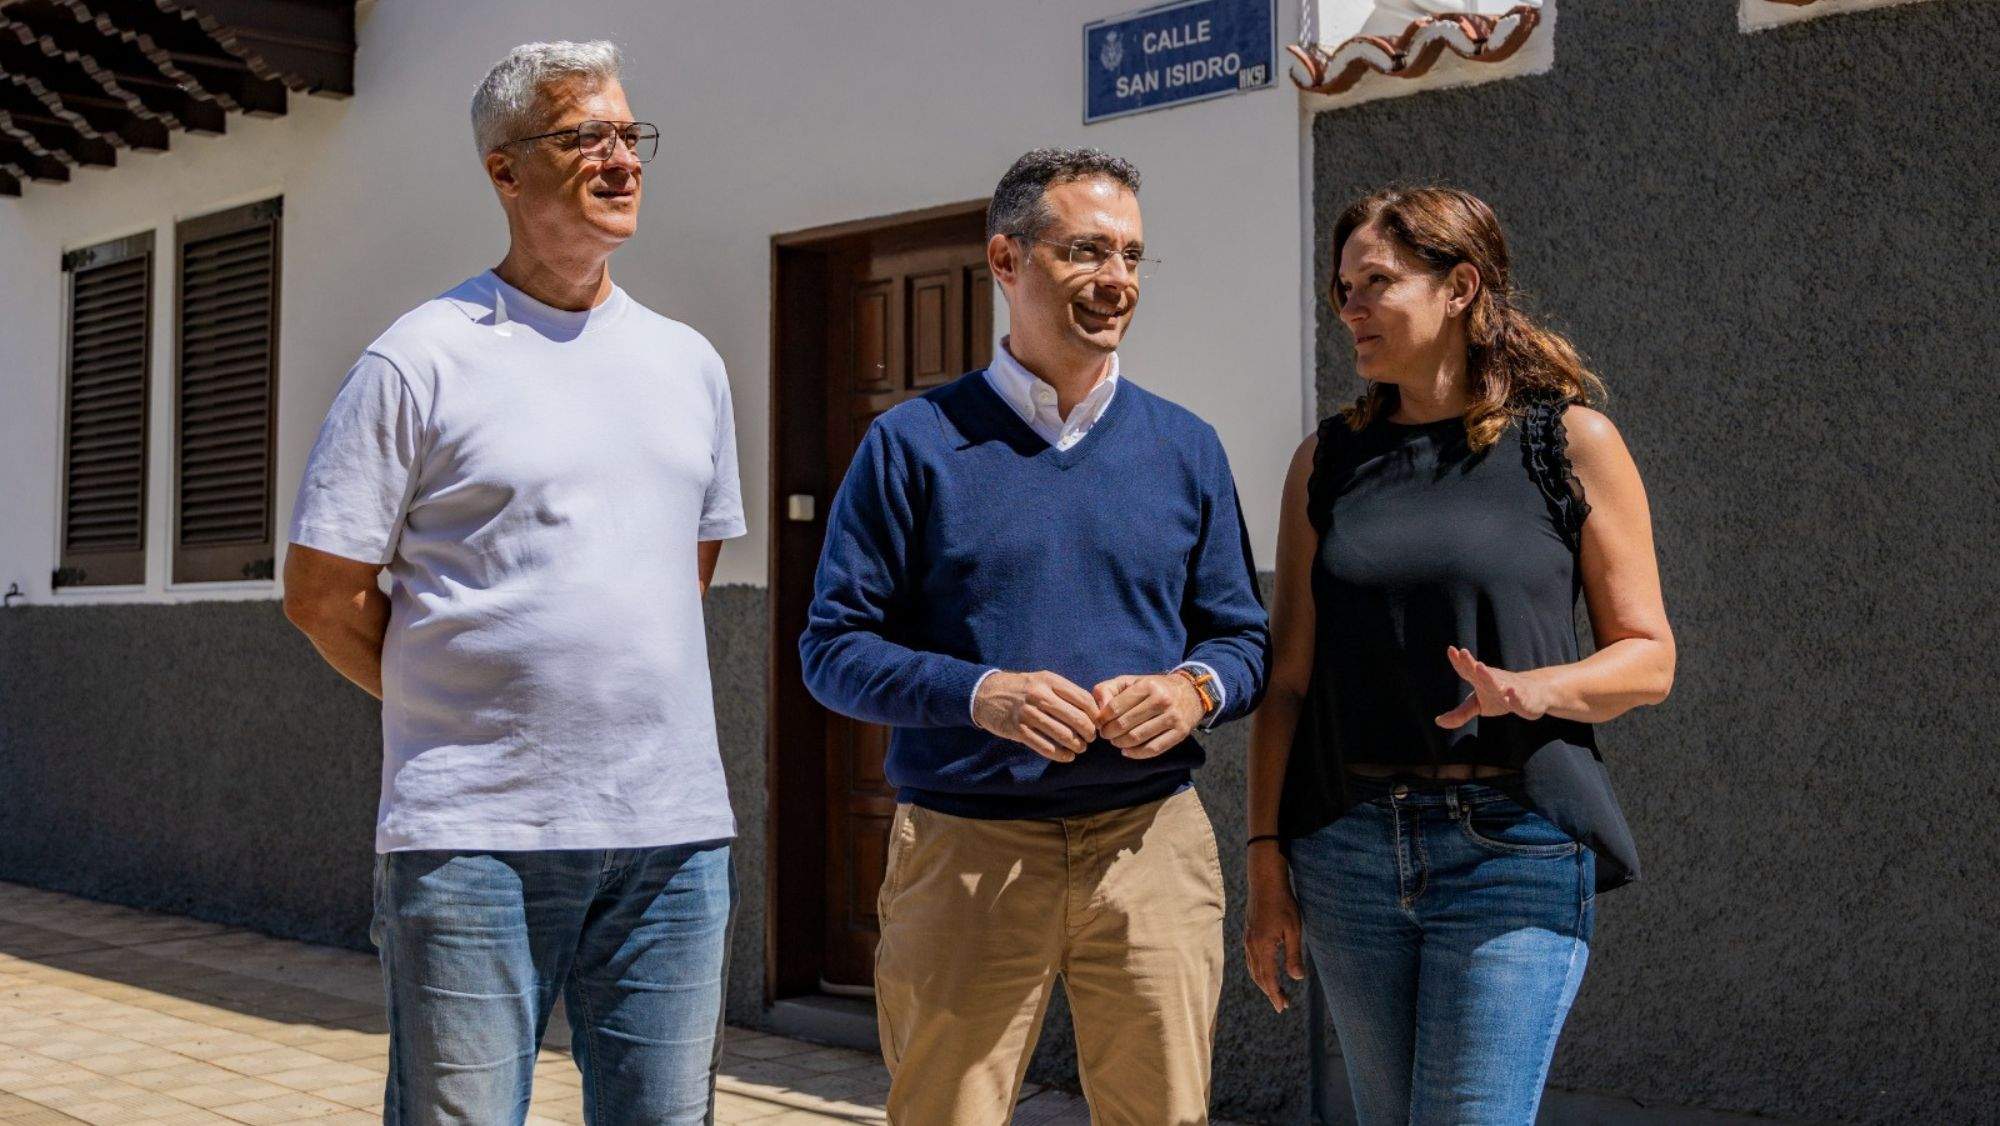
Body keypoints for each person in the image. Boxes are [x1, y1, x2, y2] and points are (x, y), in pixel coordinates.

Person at [282, 41, 745, 1125]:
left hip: (672, 841)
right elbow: (321, 590)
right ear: (504, 168)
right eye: (586, 136)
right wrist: (460, 707)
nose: (622, 159)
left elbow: (685, 568)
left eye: (632, 136)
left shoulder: (689, 363)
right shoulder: (421, 358)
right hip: (473, 839)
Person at [798, 147, 1269, 1125]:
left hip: (1151, 851)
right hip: (964, 853)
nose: (1117, 281)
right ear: (1005, 262)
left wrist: (1192, 689)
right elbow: (831, 648)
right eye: (1086, 252)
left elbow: (1241, 638)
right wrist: (982, 694)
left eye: (1132, 256)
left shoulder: (1184, 447)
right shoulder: (912, 442)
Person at [1242, 186, 1675, 1125]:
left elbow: (1648, 657)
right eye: (1343, 286)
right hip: (1349, 847)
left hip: (1511, 845)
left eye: (1377, 283)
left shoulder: (1568, 443)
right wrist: (1266, 865)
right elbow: (1287, 684)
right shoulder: (1325, 461)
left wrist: (1529, 689)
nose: (1350, 306)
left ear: (1460, 287)